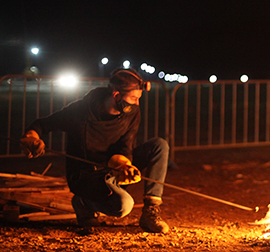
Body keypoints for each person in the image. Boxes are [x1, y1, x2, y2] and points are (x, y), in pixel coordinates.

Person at [19, 68, 170, 233]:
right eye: (134, 98)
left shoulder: (131, 114)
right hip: (86, 175)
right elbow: (42, 124)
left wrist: (125, 166)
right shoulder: (80, 112)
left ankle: (150, 212)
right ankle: (83, 203)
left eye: (138, 99)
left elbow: (126, 146)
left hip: (114, 166)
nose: (137, 103)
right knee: (124, 206)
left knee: (159, 145)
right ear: (116, 95)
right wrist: (31, 138)